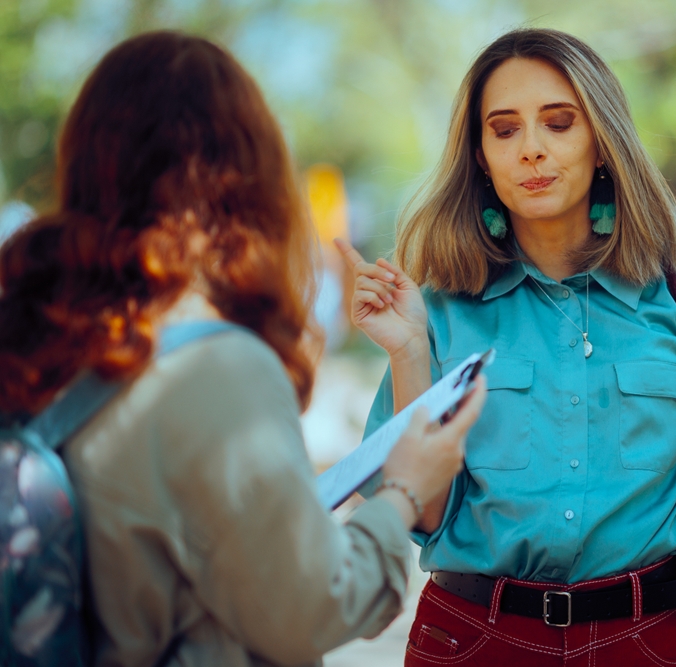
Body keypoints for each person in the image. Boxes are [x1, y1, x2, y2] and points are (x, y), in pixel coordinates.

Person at [0, 31, 485, 667]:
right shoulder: (215, 364)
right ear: (248, 174)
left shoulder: (46, 333)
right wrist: (403, 490)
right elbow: (310, 610)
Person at [339, 27, 676, 667]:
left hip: (645, 642)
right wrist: (410, 353)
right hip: (473, 641)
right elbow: (423, 515)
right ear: (479, 157)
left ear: (600, 141)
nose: (531, 150)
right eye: (504, 130)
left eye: (558, 122)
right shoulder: (436, 306)